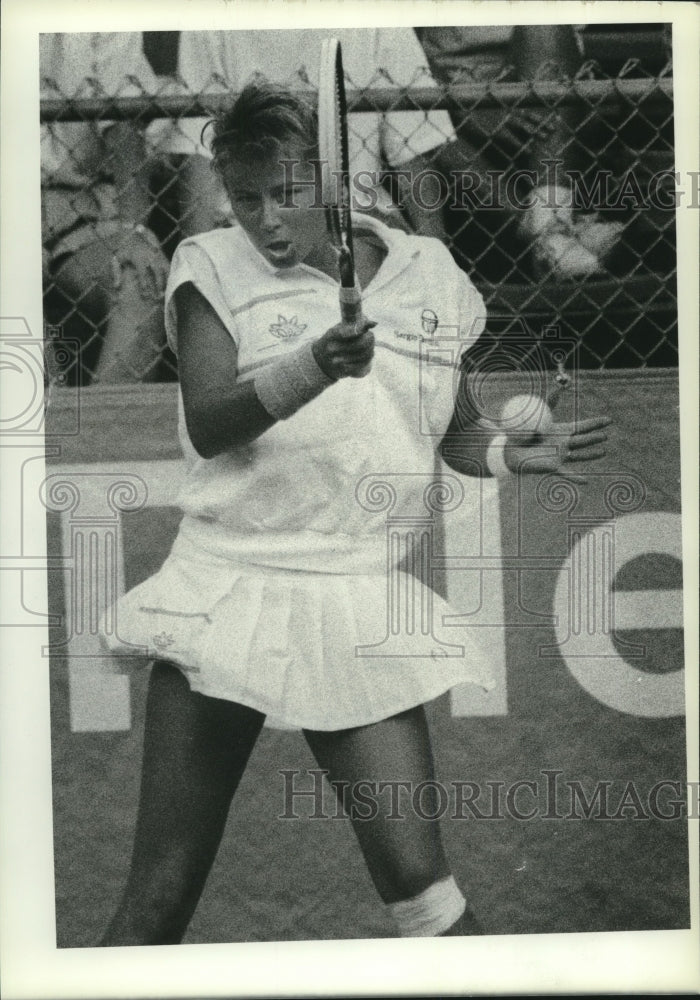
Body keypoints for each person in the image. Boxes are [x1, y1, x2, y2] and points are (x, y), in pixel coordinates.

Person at [99, 82, 611, 945]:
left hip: (355, 598)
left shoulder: (428, 276)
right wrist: (313, 367)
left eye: (289, 194)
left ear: (333, 184)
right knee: (161, 896)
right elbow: (211, 419)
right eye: (246, 196)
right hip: (226, 587)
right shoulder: (209, 264)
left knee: (423, 891)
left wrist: (502, 452)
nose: (265, 219)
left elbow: (451, 429)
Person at [148, 27, 455, 240]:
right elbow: (200, 156)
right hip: (249, 232)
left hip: (356, 223)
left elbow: (414, 148)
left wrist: (433, 254)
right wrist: (200, 263)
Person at [41, 32, 170, 383]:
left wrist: (134, 232)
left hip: (81, 202)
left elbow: (124, 130)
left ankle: (102, 432)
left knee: (142, 278)